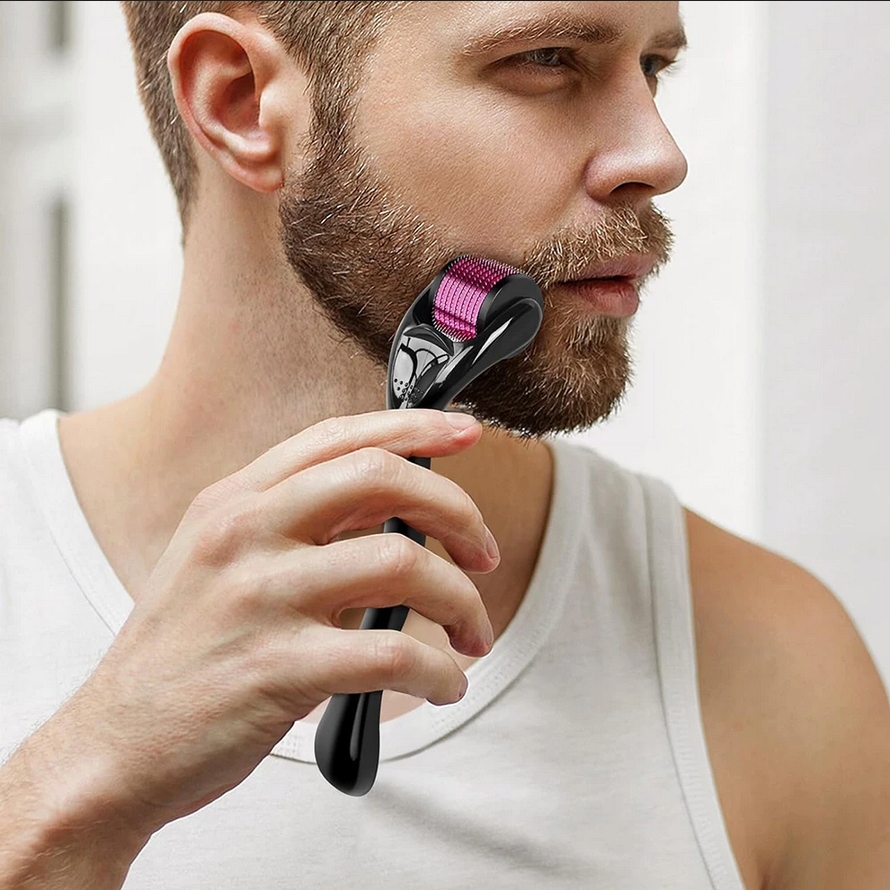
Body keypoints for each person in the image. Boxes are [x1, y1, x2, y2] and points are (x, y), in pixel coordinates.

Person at [0, 1, 887, 887]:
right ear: (242, 101)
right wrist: (70, 796)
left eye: (652, 68)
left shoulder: (775, 663)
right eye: (548, 58)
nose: (660, 156)